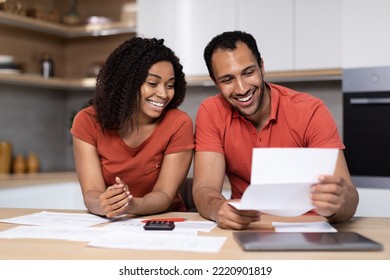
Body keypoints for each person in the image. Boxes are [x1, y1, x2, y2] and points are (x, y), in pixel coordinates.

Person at [193, 31, 359, 230]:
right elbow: (204, 188)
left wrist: (338, 203)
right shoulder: (211, 112)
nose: (241, 88)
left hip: (310, 228)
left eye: (248, 72)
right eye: (227, 79)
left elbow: (348, 198)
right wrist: (216, 208)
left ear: (262, 67)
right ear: (215, 82)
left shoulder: (310, 111)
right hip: (248, 228)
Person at [71, 37, 194, 218]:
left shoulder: (179, 123)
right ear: (126, 82)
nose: (163, 94)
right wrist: (103, 204)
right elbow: (91, 193)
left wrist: (132, 204)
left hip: (165, 221)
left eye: (170, 85)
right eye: (152, 83)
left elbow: (165, 195)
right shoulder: (87, 121)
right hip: (112, 224)